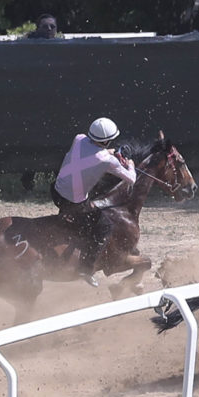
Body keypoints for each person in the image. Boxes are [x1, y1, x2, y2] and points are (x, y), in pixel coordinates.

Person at [51, 117, 136, 286]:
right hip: (74, 204)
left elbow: (93, 153)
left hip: (56, 192)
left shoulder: (79, 138)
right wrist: (131, 163)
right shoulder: (106, 160)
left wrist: (115, 151)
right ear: (106, 140)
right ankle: (86, 267)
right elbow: (131, 179)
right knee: (105, 227)